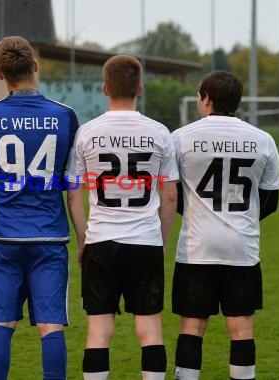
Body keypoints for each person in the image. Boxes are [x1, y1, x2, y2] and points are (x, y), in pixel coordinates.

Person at [66, 55, 179, 380]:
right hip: (144, 241)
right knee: (150, 329)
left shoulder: (87, 132)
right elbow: (170, 195)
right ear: (140, 88)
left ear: (104, 88)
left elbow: (73, 194)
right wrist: (161, 241)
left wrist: (83, 240)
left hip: (101, 241)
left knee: (99, 331)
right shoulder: (159, 133)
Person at [0, 35, 80, 380]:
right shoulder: (65, 116)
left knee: (1, 324)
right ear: (35, 66)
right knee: (51, 325)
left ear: (0, 73)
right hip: (50, 237)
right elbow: (70, 183)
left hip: (3, 237)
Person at [171, 71, 279, 380]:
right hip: (241, 248)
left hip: (197, 247)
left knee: (192, 326)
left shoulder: (181, 137)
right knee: (241, 327)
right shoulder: (263, 139)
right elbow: (271, 199)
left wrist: (199, 212)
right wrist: (241, 218)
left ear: (206, 97)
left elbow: (171, 193)